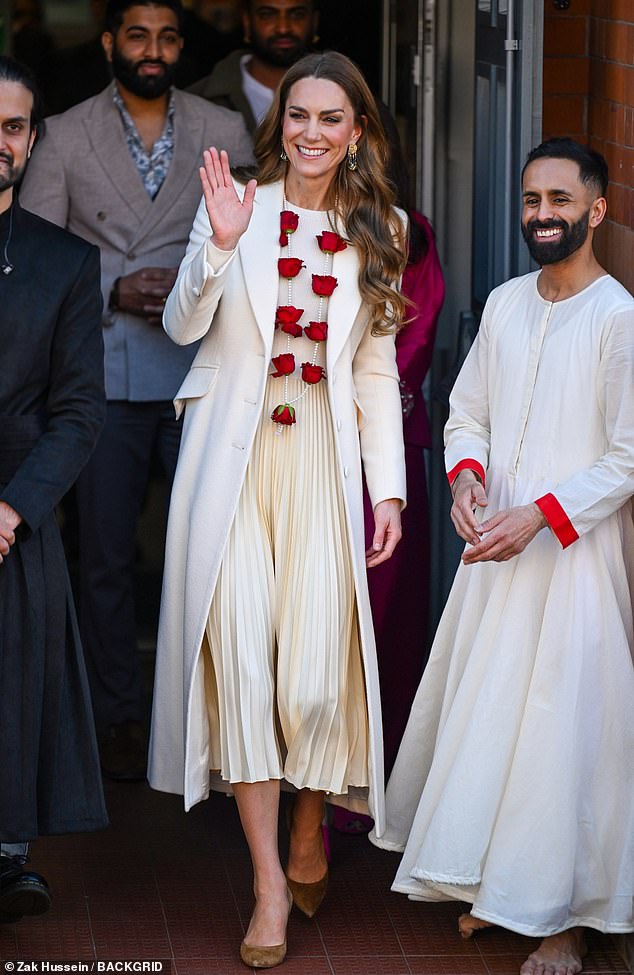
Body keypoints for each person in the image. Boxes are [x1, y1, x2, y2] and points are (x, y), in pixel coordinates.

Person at [148, 50, 408, 969]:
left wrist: (389, 487)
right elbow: (182, 326)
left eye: (331, 119)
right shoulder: (240, 209)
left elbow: (375, 370)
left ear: (358, 132)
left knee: (309, 681)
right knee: (248, 677)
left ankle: (310, 816)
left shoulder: (386, 228)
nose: (310, 133)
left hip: (322, 476)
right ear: (279, 122)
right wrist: (218, 242)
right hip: (235, 473)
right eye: (298, 115)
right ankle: (267, 884)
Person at [371, 138, 634, 975]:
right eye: (531, 200)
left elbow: (628, 457)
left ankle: (570, 916)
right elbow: (465, 412)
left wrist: (540, 518)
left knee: (565, 734)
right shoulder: (506, 302)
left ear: (595, 210)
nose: (543, 215)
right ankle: (502, 885)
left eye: (561, 200)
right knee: (495, 719)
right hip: (496, 553)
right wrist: (467, 481)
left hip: (575, 562)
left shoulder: (619, 317)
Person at [19, 0, 254, 782]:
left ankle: (203, 713)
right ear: (111, 41)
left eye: (168, 37)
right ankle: (118, 715)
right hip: (109, 372)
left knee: (212, 550)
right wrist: (116, 286)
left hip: (202, 370)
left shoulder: (221, 130)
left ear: (182, 47)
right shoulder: (63, 131)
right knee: (108, 558)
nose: (153, 50)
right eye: (138, 36)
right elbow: (42, 255)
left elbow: (252, 254)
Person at [0, 55, 108, 922]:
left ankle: (7, 854)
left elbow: (77, 410)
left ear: (34, 140)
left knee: (11, 690)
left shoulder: (66, 262)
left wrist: (14, 506)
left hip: (13, 515)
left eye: (12, 127)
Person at [188, 0, 319, 134]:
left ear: (314, 22)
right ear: (247, 22)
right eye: (267, 15)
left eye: (297, 15)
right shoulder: (194, 102)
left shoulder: (339, 94)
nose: (283, 28)